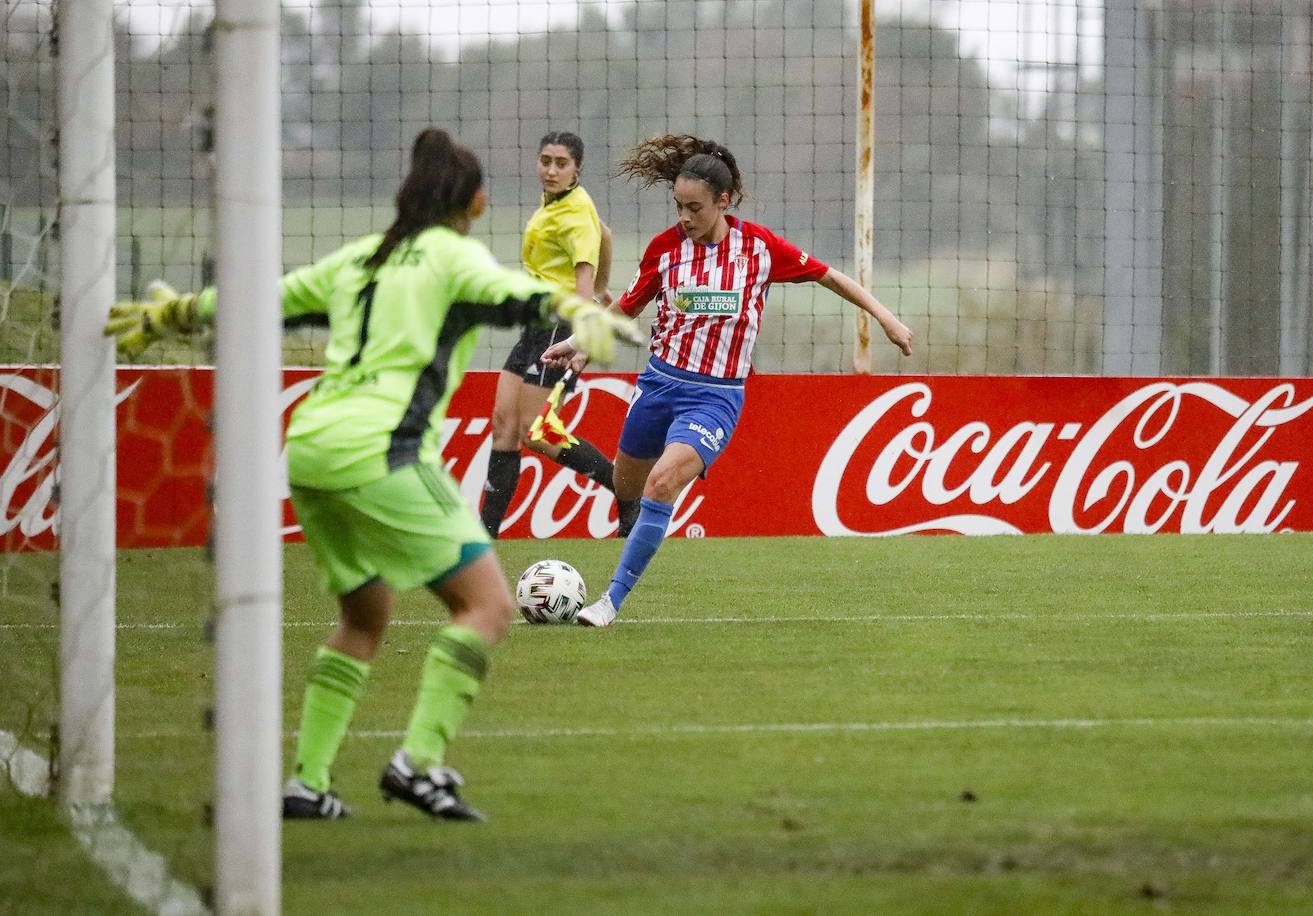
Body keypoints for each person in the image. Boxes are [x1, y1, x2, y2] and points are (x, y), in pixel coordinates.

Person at [104, 127, 640, 818]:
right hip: (381, 452)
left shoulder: (361, 256)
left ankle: (307, 782)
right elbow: (539, 301)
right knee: (487, 607)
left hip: (308, 450)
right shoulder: (454, 259)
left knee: (365, 615)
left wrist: (168, 314)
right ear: (474, 205)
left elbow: (258, 300)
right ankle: (417, 765)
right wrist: (595, 325)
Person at [543, 134, 913, 628]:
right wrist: (581, 344)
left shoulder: (760, 248)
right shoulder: (664, 250)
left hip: (714, 398)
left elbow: (830, 277)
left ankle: (610, 601)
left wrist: (885, 317)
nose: (685, 218)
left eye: (694, 208)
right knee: (625, 482)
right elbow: (626, 307)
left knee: (661, 482)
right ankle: (637, 532)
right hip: (657, 386)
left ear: (724, 201)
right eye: (678, 206)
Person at [480, 130, 640, 539]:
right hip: (536, 324)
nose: (550, 170)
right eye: (545, 160)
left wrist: (585, 336)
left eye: (560, 163)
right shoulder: (560, 202)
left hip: (560, 327)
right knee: (503, 424)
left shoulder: (572, 215)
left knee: (536, 431)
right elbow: (605, 233)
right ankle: (486, 534)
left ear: (577, 169)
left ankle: (627, 494)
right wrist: (608, 292)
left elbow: (582, 280)